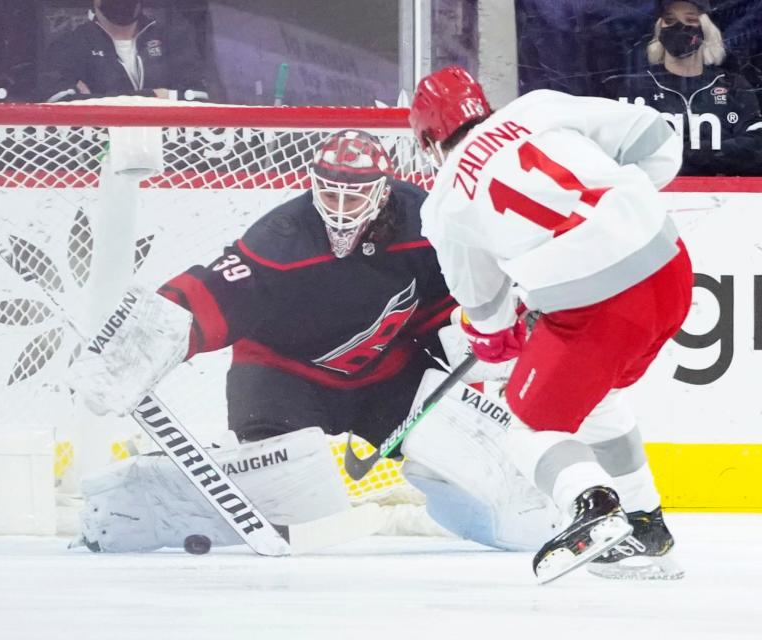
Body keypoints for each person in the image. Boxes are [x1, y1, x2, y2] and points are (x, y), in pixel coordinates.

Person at [66, 130, 561, 555]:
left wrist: (511, 312)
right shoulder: (282, 237)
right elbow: (215, 291)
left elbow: (469, 284)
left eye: (355, 195)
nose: (341, 209)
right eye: (330, 193)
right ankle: (136, 503)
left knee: (479, 458)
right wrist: (139, 342)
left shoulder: (427, 221)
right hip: (282, 376)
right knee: (287, 489)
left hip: (387, 374)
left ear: (384, 191)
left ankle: (552, 525)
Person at [409, 65, 692, 582]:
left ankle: (593, 506)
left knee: (526, 424)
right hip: (669, 268)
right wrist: (619, 215)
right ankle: (646, 528)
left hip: (597, 307)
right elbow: (658, 137)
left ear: (429, 141)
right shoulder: (538, 108)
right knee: (598, 398)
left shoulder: (445, 202)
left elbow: (485, 313)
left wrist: (504, 325)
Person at [603, 0, 762, 176]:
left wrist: (697, 155)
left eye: (691, 20)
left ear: (706, 28)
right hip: (656, 193)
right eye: (669, 20)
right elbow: (618, 148)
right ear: (659, 28)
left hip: (722, 195)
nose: (679, 28)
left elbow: (756, 146)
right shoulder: (638, 88)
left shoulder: (731, 85)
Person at [36, 0, 208, 103]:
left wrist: (95, 99)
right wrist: (157, 95)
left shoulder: (173, 38)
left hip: (168, 152)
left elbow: (199, 96)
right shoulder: (71, 44)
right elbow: (57, 102)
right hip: (97, 154)